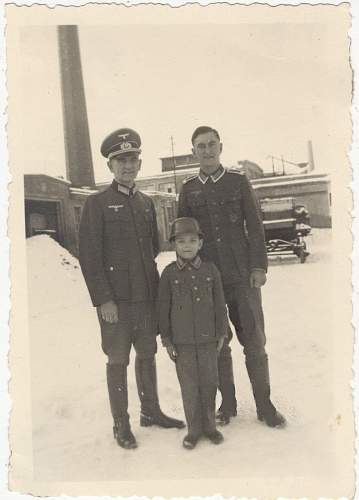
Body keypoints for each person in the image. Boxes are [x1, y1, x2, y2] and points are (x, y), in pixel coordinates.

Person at [79, 128, 184, 450]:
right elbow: (90, 257)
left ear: (139, 164)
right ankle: (120, 424)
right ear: (110, 166)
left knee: (148, 354)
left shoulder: (145, 203)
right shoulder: (97, 204)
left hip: (145, 296)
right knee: (117, 359)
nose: (128, 166)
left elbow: (151, 248)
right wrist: (104, 300)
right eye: (120, 160)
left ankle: (150, 411)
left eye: (132, 159)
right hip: (117, 302)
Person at [178, 126, 286, 428]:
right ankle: (228, 404)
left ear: (221, 147)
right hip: (208, 280)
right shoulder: (188, 189)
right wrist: (188, 276)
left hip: (241, 277)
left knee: (254, 341)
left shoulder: (238, 182)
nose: (207, 150)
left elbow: (255, 225)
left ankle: (265, 405)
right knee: (218, 343)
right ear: (193, 152)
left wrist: (259, 267)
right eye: (201, 146)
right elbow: (183, 235)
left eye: (212, 144)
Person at [158, 217, 227, 449]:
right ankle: (193, 430)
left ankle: (210, 427)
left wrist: (221, 334)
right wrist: (167, 340)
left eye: (192, 240)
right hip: (182, 343)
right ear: (173, 245)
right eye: (181, 241)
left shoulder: (211, 270)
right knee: (189, 386)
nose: (187, 245)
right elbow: (163, 309)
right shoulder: (168, 274)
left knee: (209, 383)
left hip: (209, 340)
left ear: (200, 244)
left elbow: (220, 304)